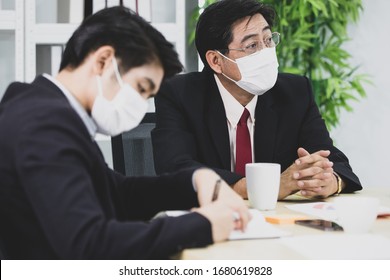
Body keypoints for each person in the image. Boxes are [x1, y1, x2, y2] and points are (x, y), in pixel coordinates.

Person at [0, 6, 250, 260]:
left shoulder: (49, 112)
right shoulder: (44, 124)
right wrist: (203, 224)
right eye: (141, 88)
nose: (141, 106)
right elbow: (89, 243)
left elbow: (117, 193)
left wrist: (196, 180)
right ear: (103, 61)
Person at [151, 0, 362, 200]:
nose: (266, 52)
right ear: (216, 60)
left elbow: (333, 160)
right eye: (252, 45)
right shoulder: (179, 94)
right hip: (209, 219)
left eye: (268, 40)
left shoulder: (295, 92)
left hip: (279, 222)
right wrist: (265, 187)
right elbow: (176, 169)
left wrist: (331, 181)